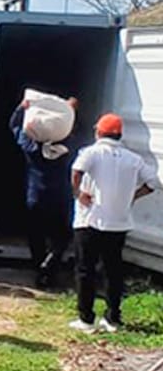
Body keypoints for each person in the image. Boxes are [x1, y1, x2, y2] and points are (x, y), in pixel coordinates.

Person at [69, 113, 156, 334]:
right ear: (119, 135)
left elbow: (76, 171)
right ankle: (112, 318)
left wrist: (78, 193)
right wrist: (133, 196)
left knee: (85, 270)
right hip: (118, 223)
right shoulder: (133, 159)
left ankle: (86, 319)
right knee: (113, 271)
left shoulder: (91, 152)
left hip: (90, 220)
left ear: (98, 132)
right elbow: (154, 182)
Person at [9, 95, 78, 288]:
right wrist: (70, 111)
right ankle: (51, 264)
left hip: (36, 197)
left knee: (35, 235)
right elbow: (70, 130)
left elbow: (14, 126)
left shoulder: (30, 147)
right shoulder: (66, 148)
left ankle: (40, 269)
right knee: (62, 236)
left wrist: (21, 108)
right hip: (60, 198)